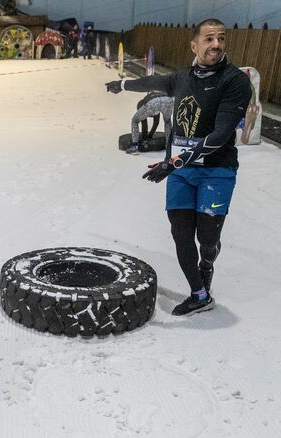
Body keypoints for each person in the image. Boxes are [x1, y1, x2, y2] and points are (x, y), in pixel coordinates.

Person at [105, 18, 251, 316]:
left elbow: (221, 134)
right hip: (181, 171)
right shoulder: (183, 78)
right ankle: (200, 294)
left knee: (206, 239)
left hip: (216, 169)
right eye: (209, 39)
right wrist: (122, 84)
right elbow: (153, 82)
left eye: (221, 39)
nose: (216, 44)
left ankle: (207, 262)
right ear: (194, 45)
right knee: (181, 234)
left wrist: (175, 161)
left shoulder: (235, 82)